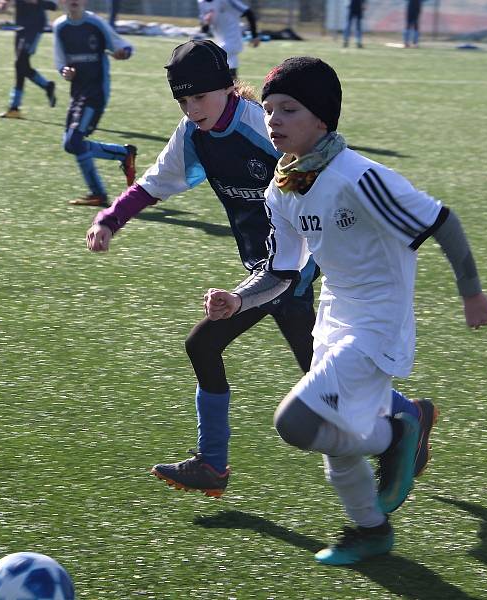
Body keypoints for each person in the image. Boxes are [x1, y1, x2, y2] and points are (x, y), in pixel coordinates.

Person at [85, 41, 433, 500]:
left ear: (229, 88)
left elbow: (320, 186)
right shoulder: (194, 135)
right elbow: (156, 181)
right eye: (183, 101)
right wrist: (110, 219)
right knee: (314, 368)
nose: (192, 110)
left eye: (200, 98)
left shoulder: (262, 129)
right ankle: (408, 416)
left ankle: (215, 463)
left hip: (292, 271)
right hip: (263, 269)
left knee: (209, 345)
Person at [204, 56, 487, 565]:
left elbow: (441, 222)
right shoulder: (283, 185)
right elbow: (283, 271)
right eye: (269, 109)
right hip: (335, 317)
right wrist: (239, 298)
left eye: (289, 109)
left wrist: (471, 292)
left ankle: (397, 429)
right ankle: (372, 530)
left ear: (322, 119)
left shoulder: (360, 177)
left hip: (379, 320)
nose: (273, 120)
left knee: (296, 421)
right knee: (334, 443)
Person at [53, 0, 138, 206]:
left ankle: (98, 193)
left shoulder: (96, 24)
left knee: (75, 141)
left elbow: (125, 46)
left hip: (96, 93)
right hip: (77, 93)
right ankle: (124, 153)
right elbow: (61, 62)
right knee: (71, 144)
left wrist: (122, 53)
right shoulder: (59, 27)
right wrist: (66, 72)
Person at [0, 0, 58, 119]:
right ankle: (46, 86)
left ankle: (14, 107)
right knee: (22, 66)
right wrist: (3, 3)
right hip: (20, 26)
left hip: (34, 26)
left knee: (20, 63)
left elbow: (53, 5)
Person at [198, 0, 260, 79]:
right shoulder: (201, 3)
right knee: (231, 75)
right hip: (220, 42)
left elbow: (249, 13)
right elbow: (204, 29)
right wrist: (206, 22)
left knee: (207, 57)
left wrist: (254, 36)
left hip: (233, 41)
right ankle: (235, 89)